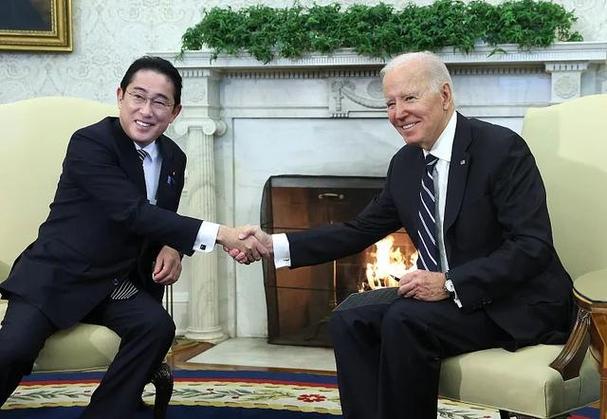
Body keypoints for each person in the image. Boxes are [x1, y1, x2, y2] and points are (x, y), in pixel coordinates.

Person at [232, 51, 574, 419]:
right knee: (349, 318)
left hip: (512, 302)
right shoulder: (407, 163)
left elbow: (531, 246)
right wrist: (273, 245)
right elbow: (358, 230)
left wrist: (449, 283)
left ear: (444, 96)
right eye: (390, 103)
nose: (398, 113)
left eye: (409, 98)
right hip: (450, 303)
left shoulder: (500, 149)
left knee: (405, 320)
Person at [0, 56, 266, 418]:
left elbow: (161, 216)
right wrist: (224, 234)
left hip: (113, 284)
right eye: (138, 97)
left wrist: (173, 246)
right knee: (13, 350)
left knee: (156, 327)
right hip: (57, 276)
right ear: (120, 96)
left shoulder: (174, 157)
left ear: (175, 112)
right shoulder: (90, 143)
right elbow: (132, 212)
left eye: (160, 102)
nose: (146, 110)